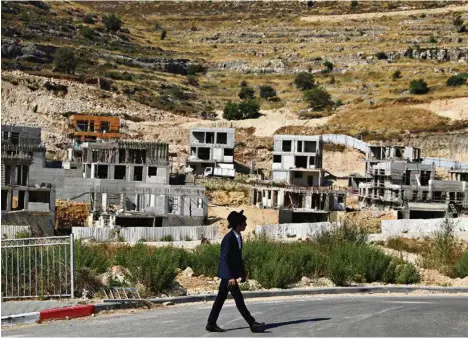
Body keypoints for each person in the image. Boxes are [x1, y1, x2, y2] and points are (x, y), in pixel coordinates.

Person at [206, 210, 265, 333]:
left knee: (220, 299)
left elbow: (237, 258)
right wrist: (231, 277)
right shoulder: (229, 238)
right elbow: (224, 258)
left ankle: (211, 323)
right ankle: (252, 324)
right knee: (239, 299)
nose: (246, 225)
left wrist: (242, 274)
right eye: (244, 223)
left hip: (230, 275)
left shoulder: (237, 237)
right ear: (238, 225)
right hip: (229, 276)